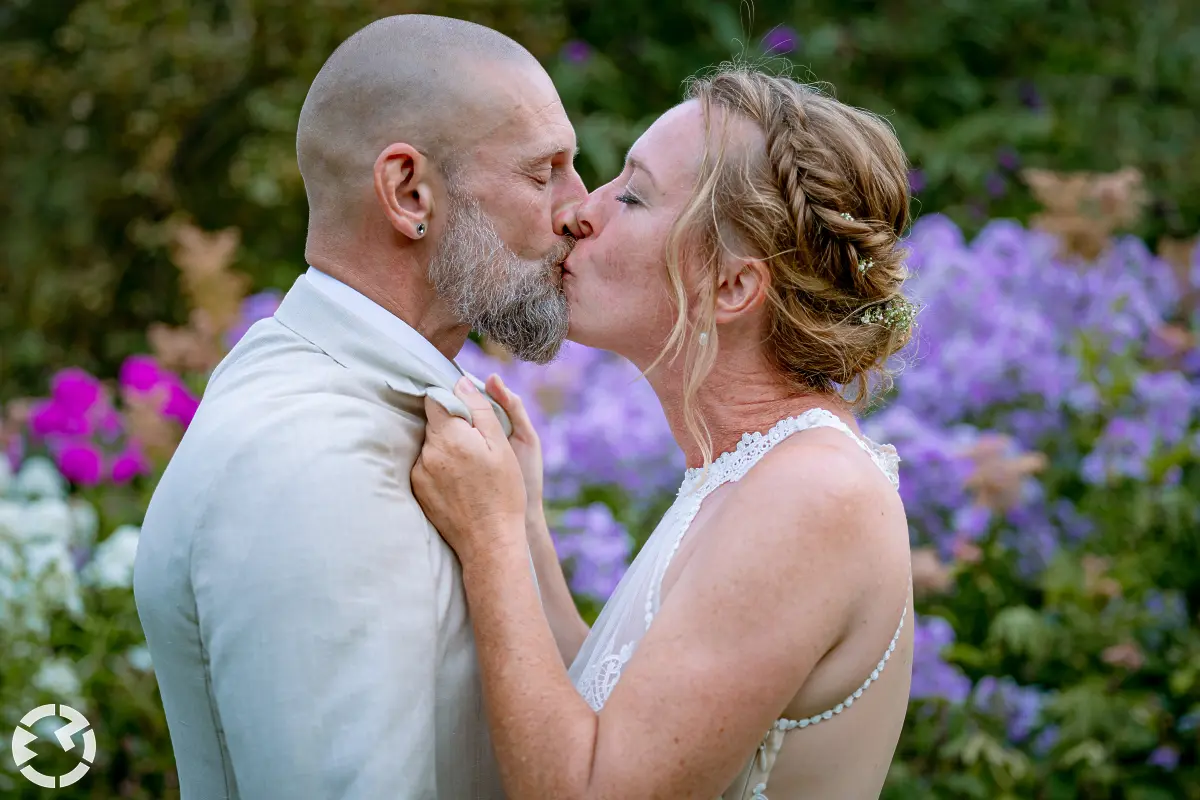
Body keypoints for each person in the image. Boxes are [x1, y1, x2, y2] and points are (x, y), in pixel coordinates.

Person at [411, 65, 917, 799]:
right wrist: (522, 523)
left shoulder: (813, 495)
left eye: (635, 195)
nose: (581, 211)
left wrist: (487, 540)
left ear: (732, 286)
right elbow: (634, 729)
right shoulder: (753, 473)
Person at [132, 14, 585, 799]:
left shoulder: (375, 403)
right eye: (544, 173)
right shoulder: (312, 461)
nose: (579, 209)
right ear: (410, 191)